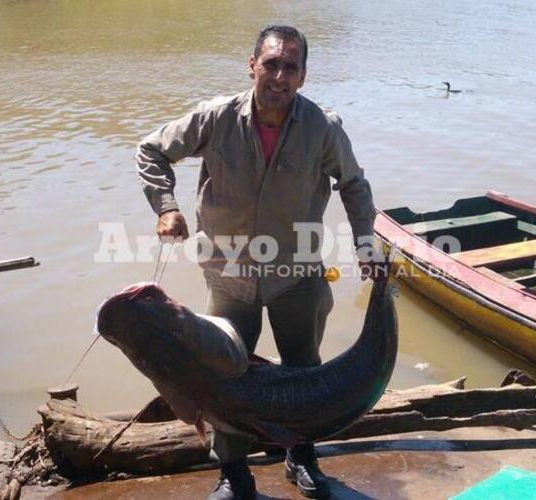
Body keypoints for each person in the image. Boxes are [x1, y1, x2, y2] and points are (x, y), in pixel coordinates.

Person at [136, 25, 379, 500]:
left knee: (306, 370)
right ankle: (233, 471)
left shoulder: (322, 128)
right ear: (252, 66)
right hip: (228, 274)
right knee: (224, 372)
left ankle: (302, 455)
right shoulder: (215, 118)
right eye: (271, 64)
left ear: (304, 76)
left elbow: (354, 184)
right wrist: (166, 206)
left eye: (291, 67)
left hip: (298, 273)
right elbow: (151, 150)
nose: (279, 76)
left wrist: (365, 244)